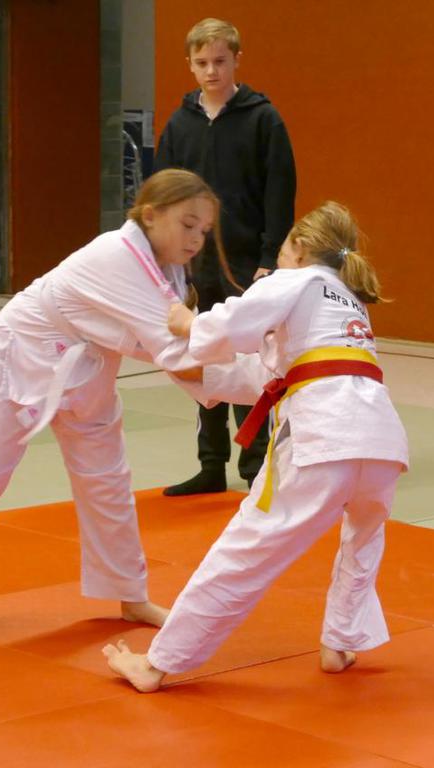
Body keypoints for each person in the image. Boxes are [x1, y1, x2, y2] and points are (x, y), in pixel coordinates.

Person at [102, 201, 409, 692]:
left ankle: (157, 663)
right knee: (363, 541)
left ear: (300, 247)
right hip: (381, 442)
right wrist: (189, 366)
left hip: (322, 437)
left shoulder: (296, 279)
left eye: (283, 249)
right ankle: (340, 642)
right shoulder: (347, 300)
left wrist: (187, 322)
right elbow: (266, 375)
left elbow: (229, 325)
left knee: (246, 548)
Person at [0, 169, 240, 626]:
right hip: (23, 353)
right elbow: (177, 355)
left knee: (108, 482)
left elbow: (180, 349)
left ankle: (130, 595)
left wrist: (251, 367)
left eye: (203, 230)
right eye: (187, 224)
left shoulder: (168, 270)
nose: (196, 239)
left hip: (89, 365)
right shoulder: (117, 255)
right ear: (150, 215)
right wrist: (265, 373)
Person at [155, 17, 296, 496]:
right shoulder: (180, 125)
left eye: (220, 61)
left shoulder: (263, 120)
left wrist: (270, 258)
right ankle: (211, 463)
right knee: (203, 359)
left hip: (247, 264)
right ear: (190, 65)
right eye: (202, 63)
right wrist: (168, 258)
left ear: (237, 59)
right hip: (196, 264)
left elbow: (279, 192)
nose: (211, 71)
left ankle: (255, 466)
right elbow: (164, 193)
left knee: (249, 365)